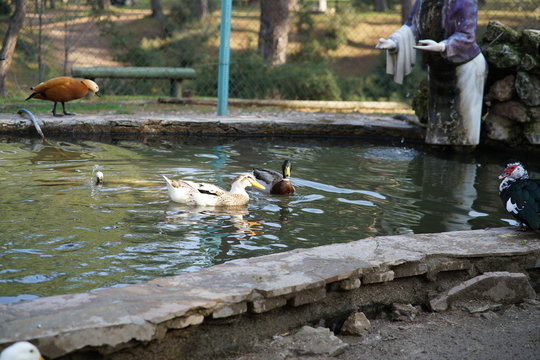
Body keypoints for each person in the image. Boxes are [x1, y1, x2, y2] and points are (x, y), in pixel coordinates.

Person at [376, 0, 487, 146]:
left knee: (464, 137)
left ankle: (464, 165)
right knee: (436, 136)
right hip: (438, 70)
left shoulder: (465, 2)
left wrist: (443, 46)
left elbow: (467, 36)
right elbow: (411, 27)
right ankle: (435, 166)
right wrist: (394, 42)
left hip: (466, 69)